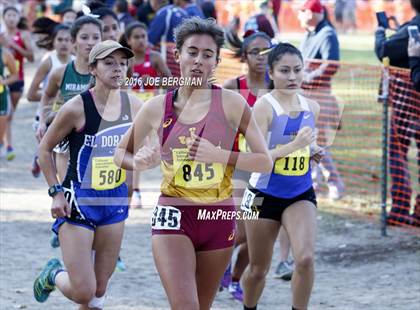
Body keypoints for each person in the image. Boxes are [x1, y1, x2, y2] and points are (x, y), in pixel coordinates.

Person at [114, 17, 272, 309]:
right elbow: (119, 154)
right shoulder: (156, 108)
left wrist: (220, 155)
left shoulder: (232, 104)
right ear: (177, 55)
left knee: (201, 305)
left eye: (207, 55)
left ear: (216, 61)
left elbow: (264, 162)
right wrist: (138, 162)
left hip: (218, 217)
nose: (199, 60)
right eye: (192, 52)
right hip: (174, 213)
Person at [33, 40, 140, 309]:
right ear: (92, 68)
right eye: (109, 63)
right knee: (84, 291)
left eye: (123, 63)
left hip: (113, 202)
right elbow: (44, 149)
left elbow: (149, 144)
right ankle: (54, 274)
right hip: (78, 201)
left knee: (99, 290)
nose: (118, 69)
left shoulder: (135, 106)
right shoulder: (76, 108)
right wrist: (55, 193)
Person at [241, 42, 322, 310]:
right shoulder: (264, 107)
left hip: (299, 192)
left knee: (306, 259)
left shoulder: (312, 106)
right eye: (284, 70)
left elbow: (306, 145)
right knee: (257, 270)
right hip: (261, 196)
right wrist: (295, 146)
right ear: (272, 73)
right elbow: (252, 158)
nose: (292, 77)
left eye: (297, 70)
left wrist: (313, 151)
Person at [222, 30, 272, 302]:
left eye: (267, 51)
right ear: (244, 56)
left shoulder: (279, 89)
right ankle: (219, 263)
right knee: (241, 230)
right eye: (255, 52)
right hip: (239, 168)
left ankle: (234, 278)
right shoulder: (232, 88)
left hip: (270, 173)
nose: (262, 58)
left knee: (257, 239)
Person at [37, 16, 101, 182]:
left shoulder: (106, 73)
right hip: (66, 142)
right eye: (84, 37)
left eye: (96, 37)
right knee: (68, 190)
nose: (90, 42)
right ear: (74, 41)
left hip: (95, 140)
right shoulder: (60, 73)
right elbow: (47, 96)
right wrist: (43, 121)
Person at [375, 0, 420, 226]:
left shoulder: (414, 29)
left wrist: (380, 32)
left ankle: (401, 210)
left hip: (407, 101)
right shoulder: (410, 29)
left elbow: (385, 51)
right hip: (410, 101)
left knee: (398, 153)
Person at [298, 0, 345, 200]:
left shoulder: (327, 34)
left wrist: (306, 78)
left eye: (302, 11)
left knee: (315, 144)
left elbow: (331, 65)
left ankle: (335, 184)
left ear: (311, 13)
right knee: (314, 143)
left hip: (319, 96)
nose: (299, 15)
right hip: (306, 95)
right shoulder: (309, 34)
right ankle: (315, 185)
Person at [123, 21, 171, 208]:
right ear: (128, 40)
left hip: (152, 110)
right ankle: (135, 192)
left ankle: (170, 189)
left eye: (143, 36)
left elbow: (169, 80)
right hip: (133, 110)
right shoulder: (127, 60)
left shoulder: (156, 57)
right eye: (136, 37)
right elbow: (120, 82)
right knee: (136, 150)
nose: (141, 40)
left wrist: (162, 98)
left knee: (160, 149)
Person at [27, 23, 73, 178]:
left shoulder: (77, 62)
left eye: (68, 40)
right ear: (53, 42)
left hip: (68, 114)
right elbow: (31, 94)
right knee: (54, 159)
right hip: (47, 115)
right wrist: (56, 95)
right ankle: (40, 158)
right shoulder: (48, 62)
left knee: (64, 157)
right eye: (60, 39)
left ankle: (38, 157)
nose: (64, 43)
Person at [2, 6, 34, 160]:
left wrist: (14, 46)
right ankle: (8, 146)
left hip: (16, 79)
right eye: (8, 15)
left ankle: (5, 142)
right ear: (4, 17)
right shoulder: (1, 35)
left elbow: (31, 57)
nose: (11, 18)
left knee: (9, 114)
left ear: (18, 17)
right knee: (6, 114)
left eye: (14, 15)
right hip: (2, 80)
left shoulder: (24, 35)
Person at [0, 39, 19, 158]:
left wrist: (4, 81)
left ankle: (3, 144)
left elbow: (15, 76)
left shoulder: (4, 53)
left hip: (1, 97)